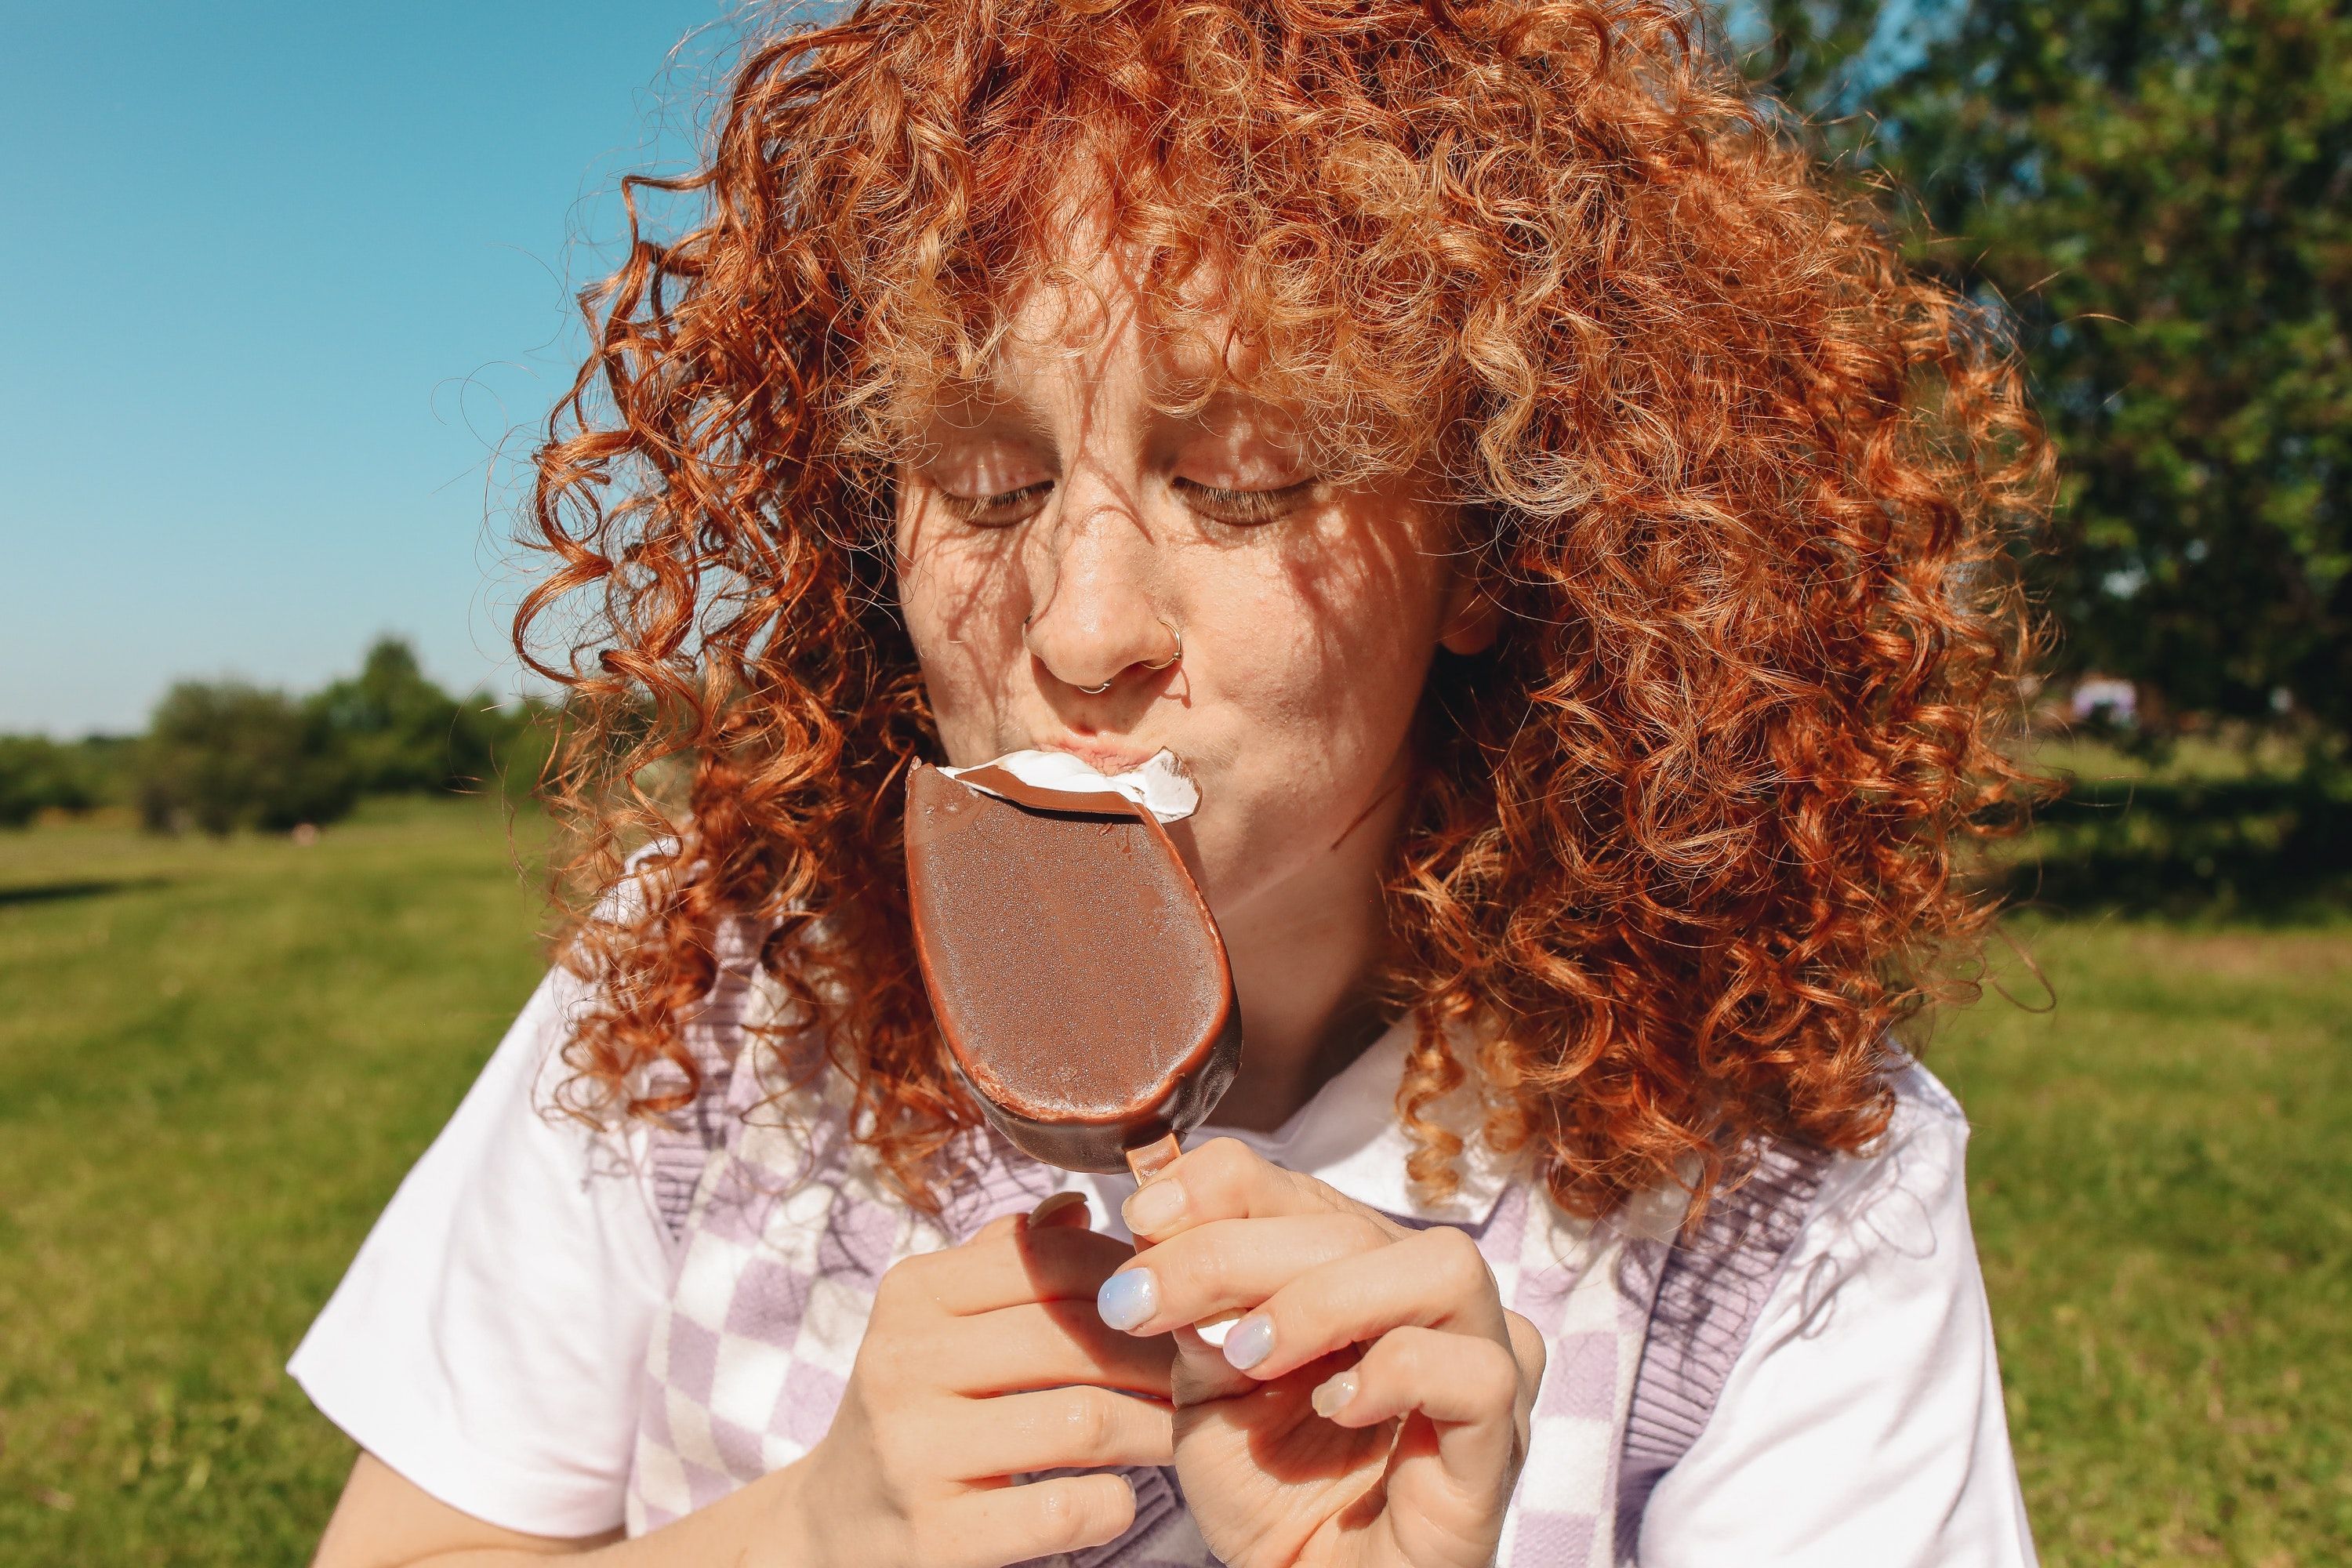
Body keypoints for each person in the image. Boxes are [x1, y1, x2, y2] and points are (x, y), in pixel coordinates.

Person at [292, 1, 2051, 1563]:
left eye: (1245, 477)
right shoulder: (721, 982)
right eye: (984, 480)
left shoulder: (1786, 1202)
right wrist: (797, 1543)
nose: (1081, 626)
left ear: (1487, 556)